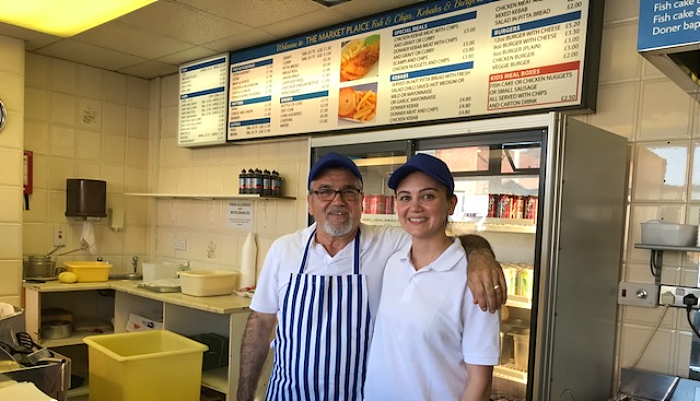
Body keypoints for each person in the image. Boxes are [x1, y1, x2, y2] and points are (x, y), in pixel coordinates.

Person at [237, 152, 506, 401]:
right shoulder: (285, 249)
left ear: (362, 201)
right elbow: (261, 322)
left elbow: (443, 238)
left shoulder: (387, 244)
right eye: (325, 191)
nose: (338, 200)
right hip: (288, 394)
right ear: (310, 202)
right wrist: (243, 394)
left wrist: (480, 254)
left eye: (349, 191)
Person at [364, 153, 500, 401]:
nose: (414, 207)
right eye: (405, 197)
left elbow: (480, 382)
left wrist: (481, 253)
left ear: (451, 204)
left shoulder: (474, 279)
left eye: (428, 196)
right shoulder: (394, 263)